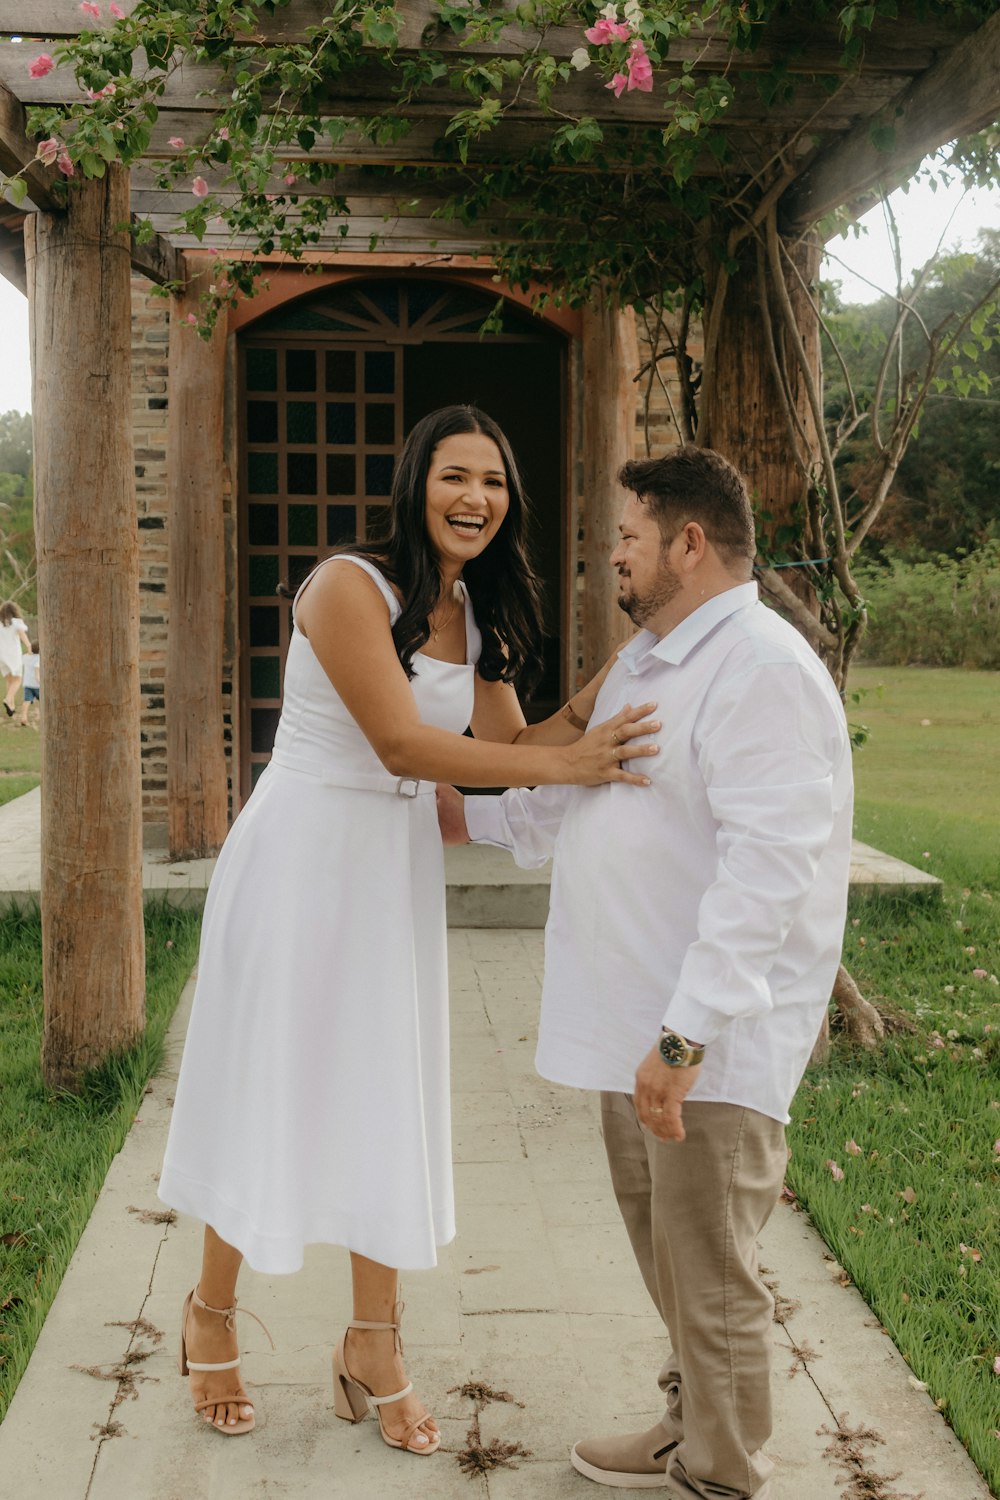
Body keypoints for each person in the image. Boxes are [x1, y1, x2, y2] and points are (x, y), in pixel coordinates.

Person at [157, 405, 659, 1452]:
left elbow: (516, 752)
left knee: (383, 1091)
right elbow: (398, 744)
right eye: (454, 475)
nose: (475, 497)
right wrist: (560, 762)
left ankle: (372, 1342)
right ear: (414, 483)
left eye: (493, 481)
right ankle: (208, 1312)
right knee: (273, 1080)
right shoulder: (348, 585)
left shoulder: (475, 612)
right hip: (298, 861)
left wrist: (634, 669)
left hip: (389, 874)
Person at [437, 445, 854, 1499]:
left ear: (689, 543)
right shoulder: (649, 660)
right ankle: (688, 1425)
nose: (609, 560)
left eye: (625, 540)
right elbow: (571, 788)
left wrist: (683, 1040)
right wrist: (453, 806)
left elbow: (769, 878)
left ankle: (724, 1471)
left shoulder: (760, 668)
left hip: (702, 1038)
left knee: (712, 1271)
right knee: (670, 1256)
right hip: (638, 1026)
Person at [0, 602, 30, 718]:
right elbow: (22, 634)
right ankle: (8, 699)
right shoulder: (16, 622)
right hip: (13, 655)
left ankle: (11, 706)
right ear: (14, 611)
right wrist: (29, 646)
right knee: (17, 680)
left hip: (1, 656)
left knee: (10, 680)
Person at [16, 640, 40, 729]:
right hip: (38, 685)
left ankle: (24, 717)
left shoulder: (25, 657)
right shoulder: (39, 658)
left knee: (27, 701)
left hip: (27, 684)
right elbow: (37, 673)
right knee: (43, 701)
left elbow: (21, 659)